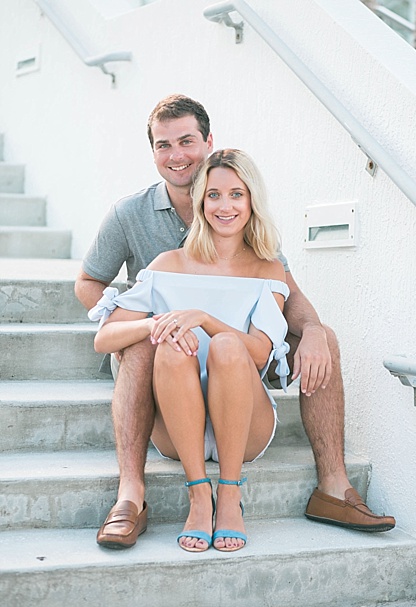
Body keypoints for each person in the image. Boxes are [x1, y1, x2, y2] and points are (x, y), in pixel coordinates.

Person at [76, 95, 394, 550]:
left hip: (234, 382)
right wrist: (151, 322)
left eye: (186, 141)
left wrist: (316, 332)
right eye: (164, 145)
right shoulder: (143, 231)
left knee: (253, 344)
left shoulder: (264, 262)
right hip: (158, 361)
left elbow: (287, 311)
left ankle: (330, 486)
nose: (176, 154)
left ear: (208, 143)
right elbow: (93, 293)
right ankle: (134, 493)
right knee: (158, 342)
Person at [90, 149, 288, 552]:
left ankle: (229, 495)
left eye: (237, 194)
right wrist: (156, 323)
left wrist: (205, 318)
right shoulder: (169, 264)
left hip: (246, 425)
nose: (225, 205)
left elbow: (260, 354)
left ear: (252, 201)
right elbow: (104, 338)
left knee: (230, 345)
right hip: (180, 431)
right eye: (213, 195)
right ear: (200, 202)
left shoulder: (268, 269)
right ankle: (199, 494)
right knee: (168, 345)